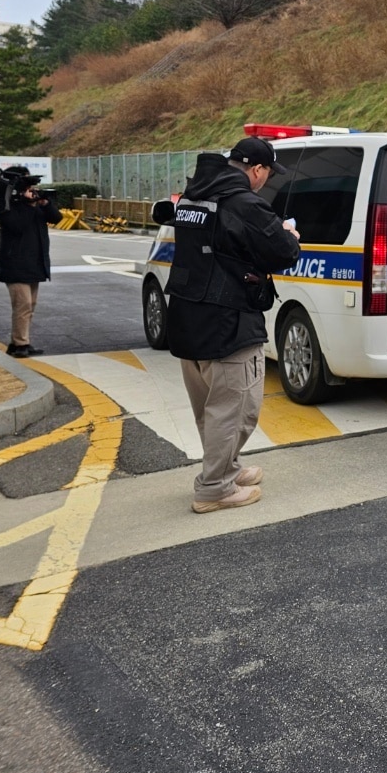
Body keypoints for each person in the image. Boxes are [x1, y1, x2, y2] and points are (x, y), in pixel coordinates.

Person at [166, 136, 300, 514]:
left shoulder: (195, 196)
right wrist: (289, 235)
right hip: (228, 322)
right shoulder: (243, 203)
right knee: (236, 408)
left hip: (188, 316)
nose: (266, 180)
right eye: (268, 173)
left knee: (210, 406)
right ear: (257, 170)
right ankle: (214, 488)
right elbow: (283, 252)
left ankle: (227, 468)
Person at [0, 168, 61, 358]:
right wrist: (30, 205)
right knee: (23, 305)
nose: (31, 190)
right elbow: (17, 226)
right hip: (15, 263)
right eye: (27, 185)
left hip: (35, 262)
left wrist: (45, 203)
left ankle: (18, 343)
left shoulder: (34, 203)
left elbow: (56, 218)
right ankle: (21, 344)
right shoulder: (5, 203)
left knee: (30, 304)